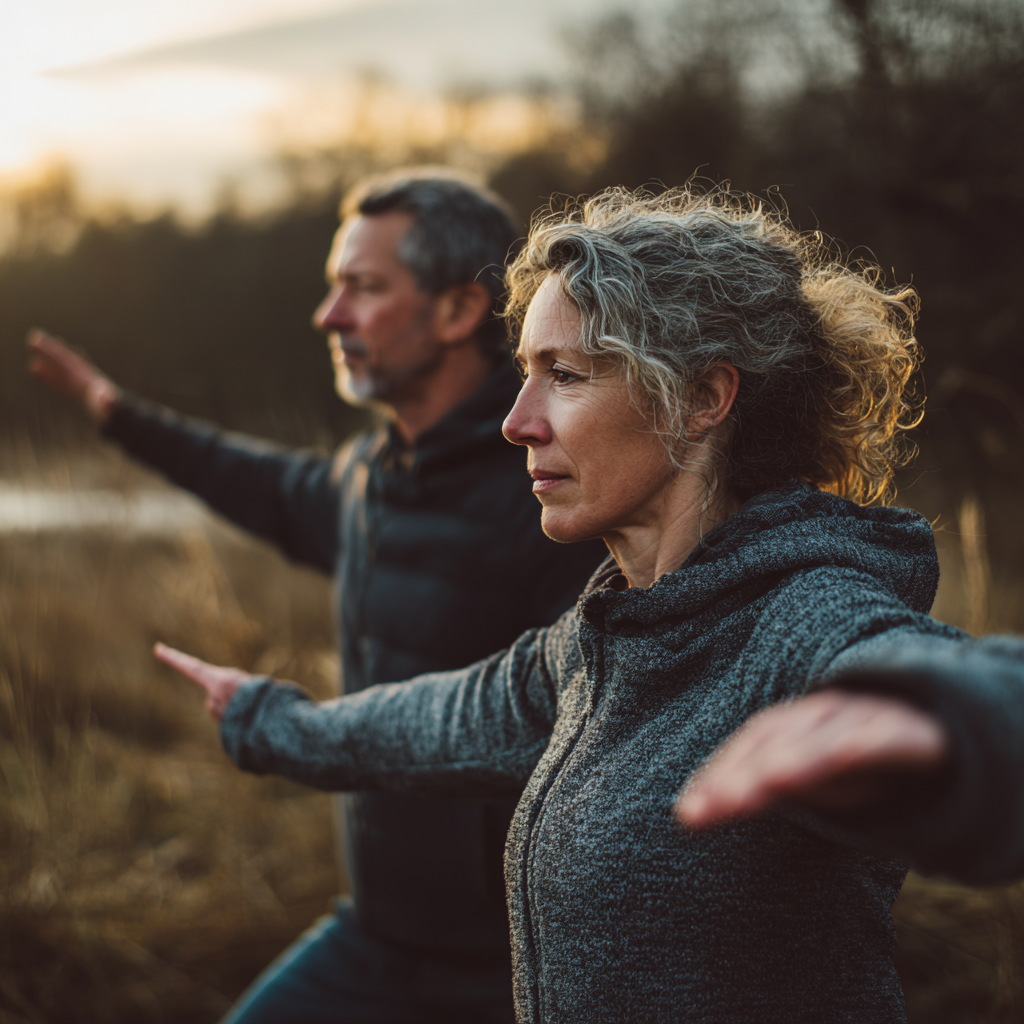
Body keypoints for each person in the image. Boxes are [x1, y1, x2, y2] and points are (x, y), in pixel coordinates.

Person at [156, 185, 1024, 1024]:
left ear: (701, 399)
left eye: (564, 375)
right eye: (525, 373)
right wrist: (263, 718)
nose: (517, 421)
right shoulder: (603, 642)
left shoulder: (800, 618)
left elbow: (955, 681)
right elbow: (439, 720)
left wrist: (951, 727)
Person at [27, 168, 605, 1024]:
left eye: (362, 288)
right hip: (372, 939)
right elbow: (258, 482)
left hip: (515, 969)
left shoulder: (552, 498)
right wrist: (116, 413)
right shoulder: (369, 476)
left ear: (456, 312)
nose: (328, 315)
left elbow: (596, 730)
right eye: (335, 286)